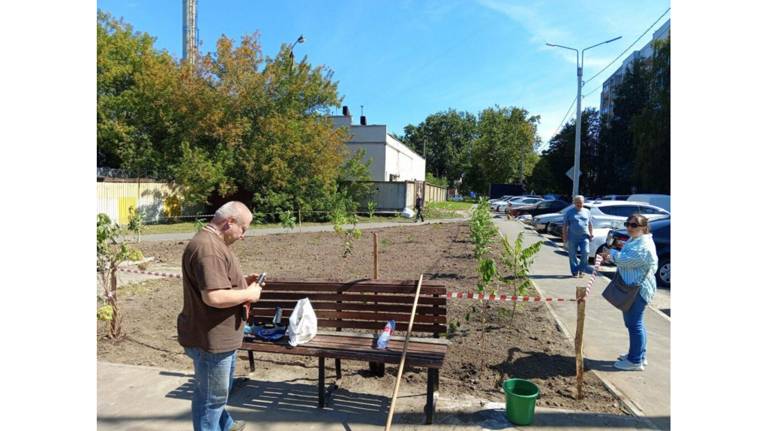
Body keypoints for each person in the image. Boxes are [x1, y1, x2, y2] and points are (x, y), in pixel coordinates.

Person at [177, 201, 264, 431]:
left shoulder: (211, 243)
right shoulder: (209, 249)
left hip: (218, 337)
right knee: (210, 400)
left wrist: (242, 280)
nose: (243, 235)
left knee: (214, 394)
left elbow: (214, 281)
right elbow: (213, 297)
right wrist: (250, 293)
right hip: (213, 340)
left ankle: (226, 426)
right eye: (243, 229)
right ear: (229, 222)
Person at [599, 214, 658, 371]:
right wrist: (611, 256)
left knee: (634, 323)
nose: (629, 228)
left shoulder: (644, 245)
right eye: (628, 224)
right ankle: (639, 355)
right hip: (634, 287)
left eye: (634, 225)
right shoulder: (637, 239)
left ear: (644, 227)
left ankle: (635, 361)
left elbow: (628, 260)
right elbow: (626, 259)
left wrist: (611, 254)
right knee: (635, 323)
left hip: (638, 289)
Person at [562, 195, 593, 277]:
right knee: (572, 255)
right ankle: (575, 271)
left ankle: (582, 269)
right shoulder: (569, 212)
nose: (579, 204)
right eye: (577, 202)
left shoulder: (587, 212)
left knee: (586, 252)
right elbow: (565, 226)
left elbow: (590, 224)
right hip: (572, 237)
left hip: (584, 236)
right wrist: (564, 238)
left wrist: (591, 233)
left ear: (583, 203)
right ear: (574, 203)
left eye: (581, 202)